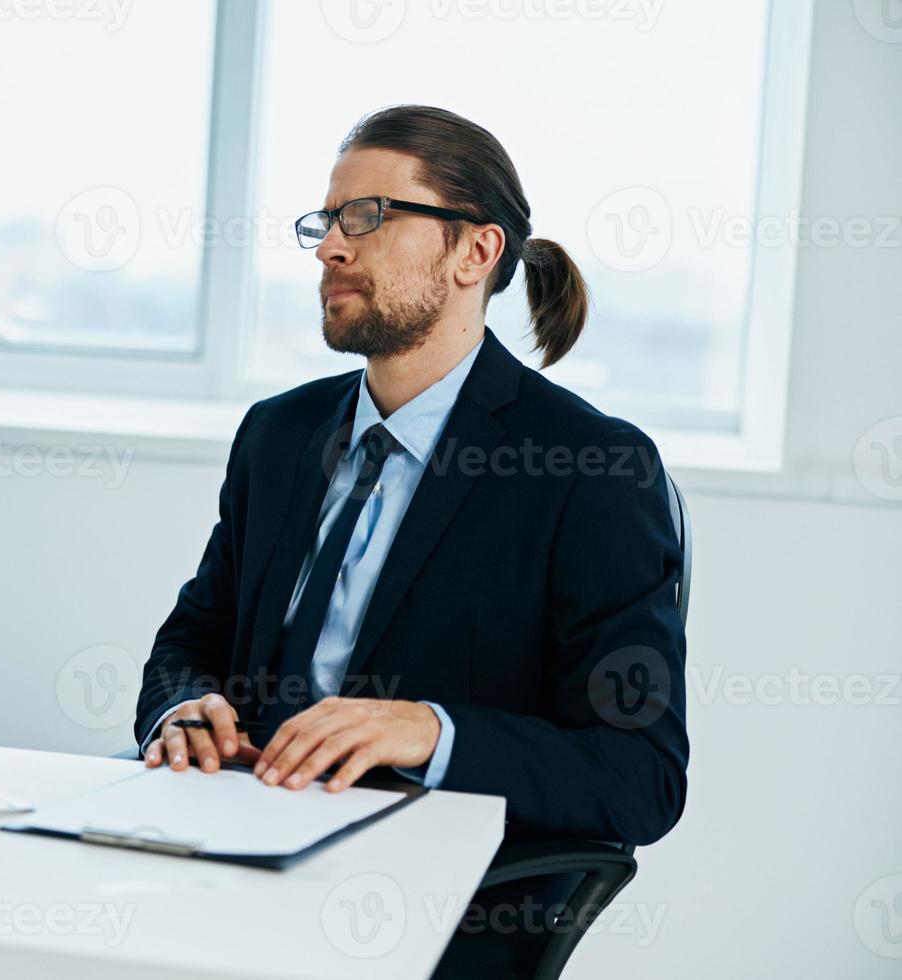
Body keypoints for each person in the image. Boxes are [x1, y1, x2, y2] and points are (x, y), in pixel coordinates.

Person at [133, 105, 689, 976]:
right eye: (327, 221)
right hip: (230, 847)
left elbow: (639, 773)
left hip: (420, 903)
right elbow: (190, 640)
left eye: (371, 217)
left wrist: (429, 731)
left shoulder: (591, 468)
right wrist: (182, 710)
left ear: (476, 252)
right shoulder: (279, 435)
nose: (330, 248)